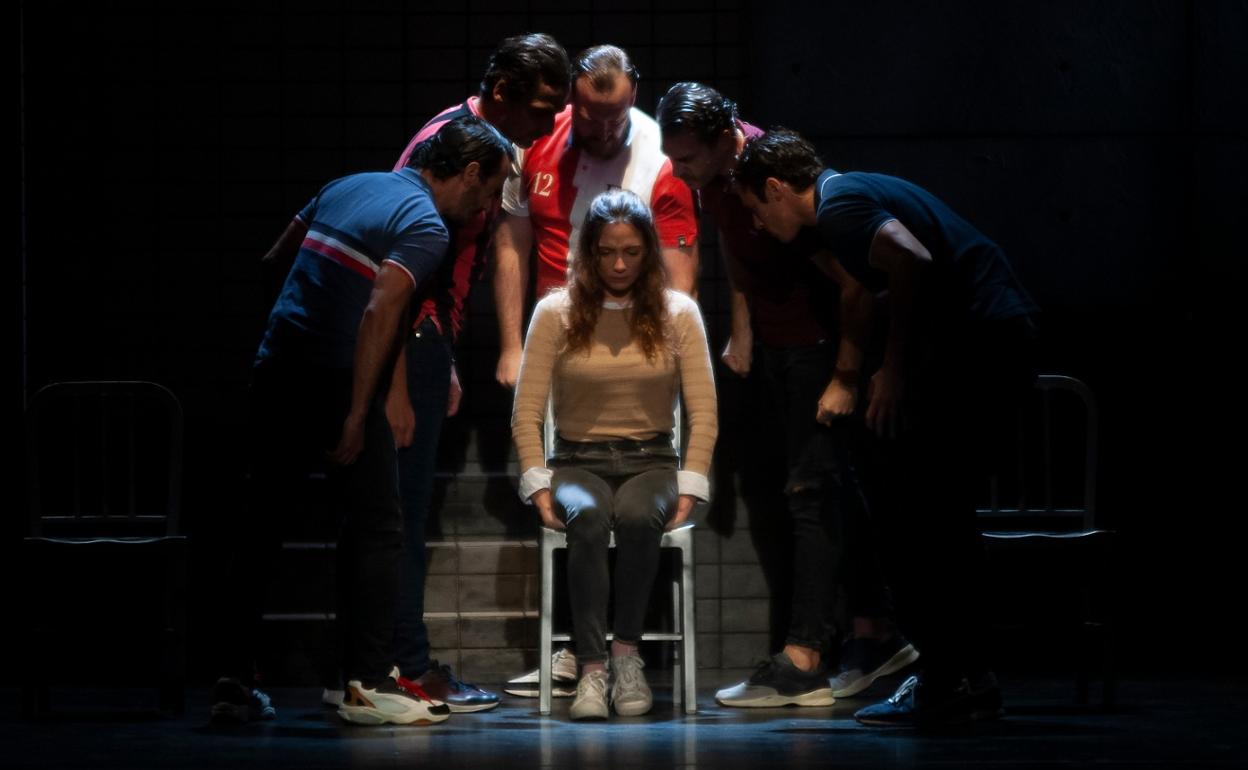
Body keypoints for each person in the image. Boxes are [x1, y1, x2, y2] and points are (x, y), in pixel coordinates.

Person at [211, 116, 512, 726]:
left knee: (262, 524)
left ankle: (232, 679)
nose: (488, 204)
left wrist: (298, 320)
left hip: (278, 365)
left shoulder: (348, 184)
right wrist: (355, 412)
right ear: (471, 172)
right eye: (489, 189)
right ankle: (367, 682)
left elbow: (275, 260)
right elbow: (381, 310)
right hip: (333, 379)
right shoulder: (426, 227)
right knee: (379, 526)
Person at [734, 128, 1039, 727]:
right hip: (991, 339)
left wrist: (892, 368)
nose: (757, 226)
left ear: (774, 188)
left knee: (920, 515)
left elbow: (911, 258)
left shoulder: (840, 206)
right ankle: (961, 677)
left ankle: (949, 678)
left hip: (984, 343)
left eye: (754, 210)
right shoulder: (847, 197)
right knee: (930, 514)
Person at [656, 82, 917, 708]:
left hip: (818, 347)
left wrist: (846, 374)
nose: (679, 171)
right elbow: (737, 250)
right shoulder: (718, 184)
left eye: (688, 158)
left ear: (725, 140)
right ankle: (872, 632)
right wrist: (742, 332)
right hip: (778, 346)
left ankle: (805, 657)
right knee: (825, 487)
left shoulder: (772, 173)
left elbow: (854, 281)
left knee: (810, 490)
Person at [374, 32, 571, 714]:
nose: (550, 125)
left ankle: (401, 663)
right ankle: (404, 667)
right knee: (400, 508)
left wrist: (446, 352)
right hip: (406, 338)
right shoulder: (448, 148)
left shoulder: (494, 150)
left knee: (407, 507)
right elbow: (396, 259)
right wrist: (405, 366)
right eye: (542, 109)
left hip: (428, 340)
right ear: (503, 94)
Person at [510, 189, 717, 719]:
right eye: (606, 252)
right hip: (578, 459)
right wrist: (537, 483)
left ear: (648, 251)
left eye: (630, 251)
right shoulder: (555, 313)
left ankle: (627, 655)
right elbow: (526, 410)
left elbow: (704, 413)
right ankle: (591, 668)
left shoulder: (678, 314)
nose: (619, 264)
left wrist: (691, 487)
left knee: (634, 515)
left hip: (652, 460)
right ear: (589, 253)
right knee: (589, 515)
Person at [493, 44, 699, 391]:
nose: (604, 132)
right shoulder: (533, 142)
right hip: (552, 337)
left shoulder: (664, 161)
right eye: (591, 118)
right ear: (571, 97)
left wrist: (671, 363)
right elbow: (510, 246)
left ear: (633, 97)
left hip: (635, 344)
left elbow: (680, 284)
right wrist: (512, 346)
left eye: (616, 119)